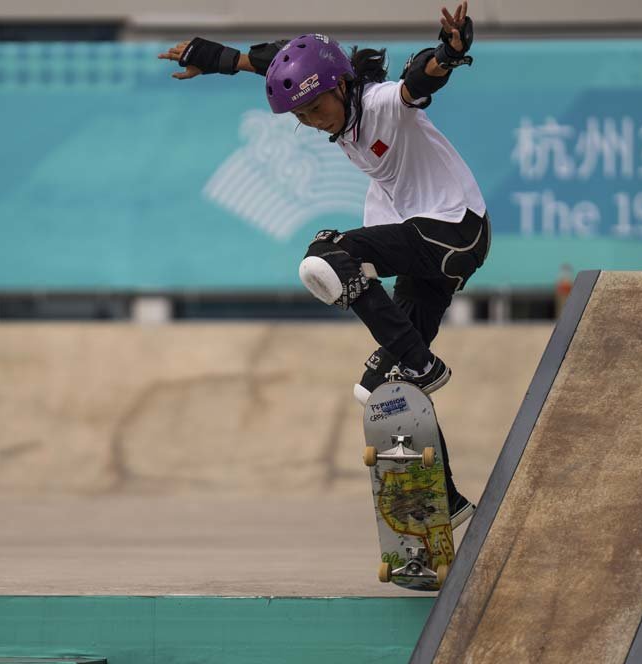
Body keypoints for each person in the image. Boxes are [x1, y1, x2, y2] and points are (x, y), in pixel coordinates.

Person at [159, 2, 487, 527]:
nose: (314, 123)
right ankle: (450, 509)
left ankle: (425, 365)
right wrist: (216, 58)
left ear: (341, 86)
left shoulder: (380, 101)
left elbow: (416, 81)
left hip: (454, 232)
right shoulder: (336, 107)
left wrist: (449, 53)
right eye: (303, 117)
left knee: (328, 255)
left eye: (317, 110)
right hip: (425, 251)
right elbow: (270, 62)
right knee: (381, 391)